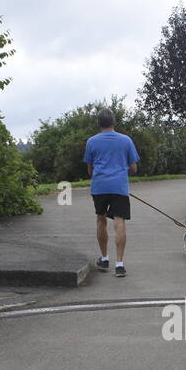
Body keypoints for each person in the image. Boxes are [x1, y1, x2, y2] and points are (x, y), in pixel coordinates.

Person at [83, 108, 140, 277]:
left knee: (101, 219)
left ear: (99, 123)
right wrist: (121, 174)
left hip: (99, 186)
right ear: (114, 122)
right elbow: (134, 168)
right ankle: (120, 264)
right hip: (119, 187)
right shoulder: (126, 140)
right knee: (119, 221)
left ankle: (104, 258)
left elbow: (89, 170)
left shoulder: (91, 142)